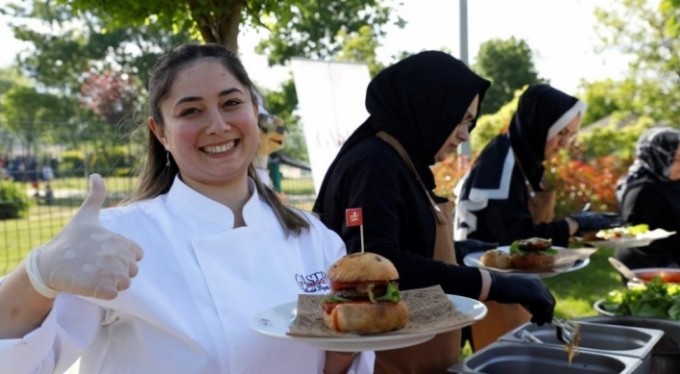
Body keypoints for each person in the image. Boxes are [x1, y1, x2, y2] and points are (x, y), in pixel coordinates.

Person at [0, 43, 373, 374]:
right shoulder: (116, 240)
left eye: (231, 103)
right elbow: (22, 363)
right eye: (191, 111)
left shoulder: (316, 239)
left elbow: (334, 364)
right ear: (160, 132)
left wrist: (349, 346)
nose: (217, 125)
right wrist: (38, 273)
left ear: (254, 111)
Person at [313, 51, 555, 373]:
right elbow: (377, 262)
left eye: (470, 122)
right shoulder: (375, 165)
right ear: (429, 106)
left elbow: (413, 247)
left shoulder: (400, 160)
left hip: (425, 353)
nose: (465, 135)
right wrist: (490, 285)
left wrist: (467, 252)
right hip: (388, 360)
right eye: (461, 119)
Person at [454, 83, 621, 350]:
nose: (565, 143)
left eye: (571, 134)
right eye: (561, 133)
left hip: (509, 285)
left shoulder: (521, 156)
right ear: (539, 123)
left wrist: (576, 226)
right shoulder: (502, 162)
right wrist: (574, 223)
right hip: (491, 288)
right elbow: (513, 240)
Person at [614, 126, 680, 271]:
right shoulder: (643, 188)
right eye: (677, 160)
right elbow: (637, 236)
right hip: (650, 266)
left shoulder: (671, 181)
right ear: (659, 157)